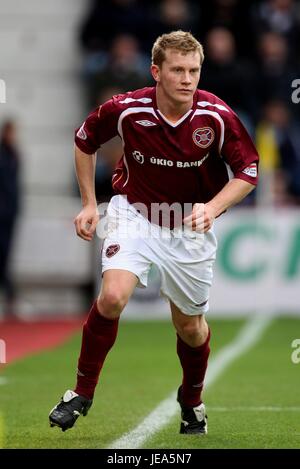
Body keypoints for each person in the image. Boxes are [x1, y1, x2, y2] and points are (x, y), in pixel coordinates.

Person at [49, 30, 259, 435]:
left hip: (188, 227)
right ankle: (81, 392)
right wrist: (91, 203)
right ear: (156, 72)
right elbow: (84, 140)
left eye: (194, 70)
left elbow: (249, 170)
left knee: (191, 329)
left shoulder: (216, 116)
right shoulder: (126, 109)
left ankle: (192, 400)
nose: (187, 79)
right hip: (135, 215)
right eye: (177, 70)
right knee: (112, 297)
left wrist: (213, 207)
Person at [0, 120, 20, 319]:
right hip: (3, 214)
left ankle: (10, 298)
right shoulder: (5, 155)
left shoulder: (14, 154)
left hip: (10, 215)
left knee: (5, 258)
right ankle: (10, 297)